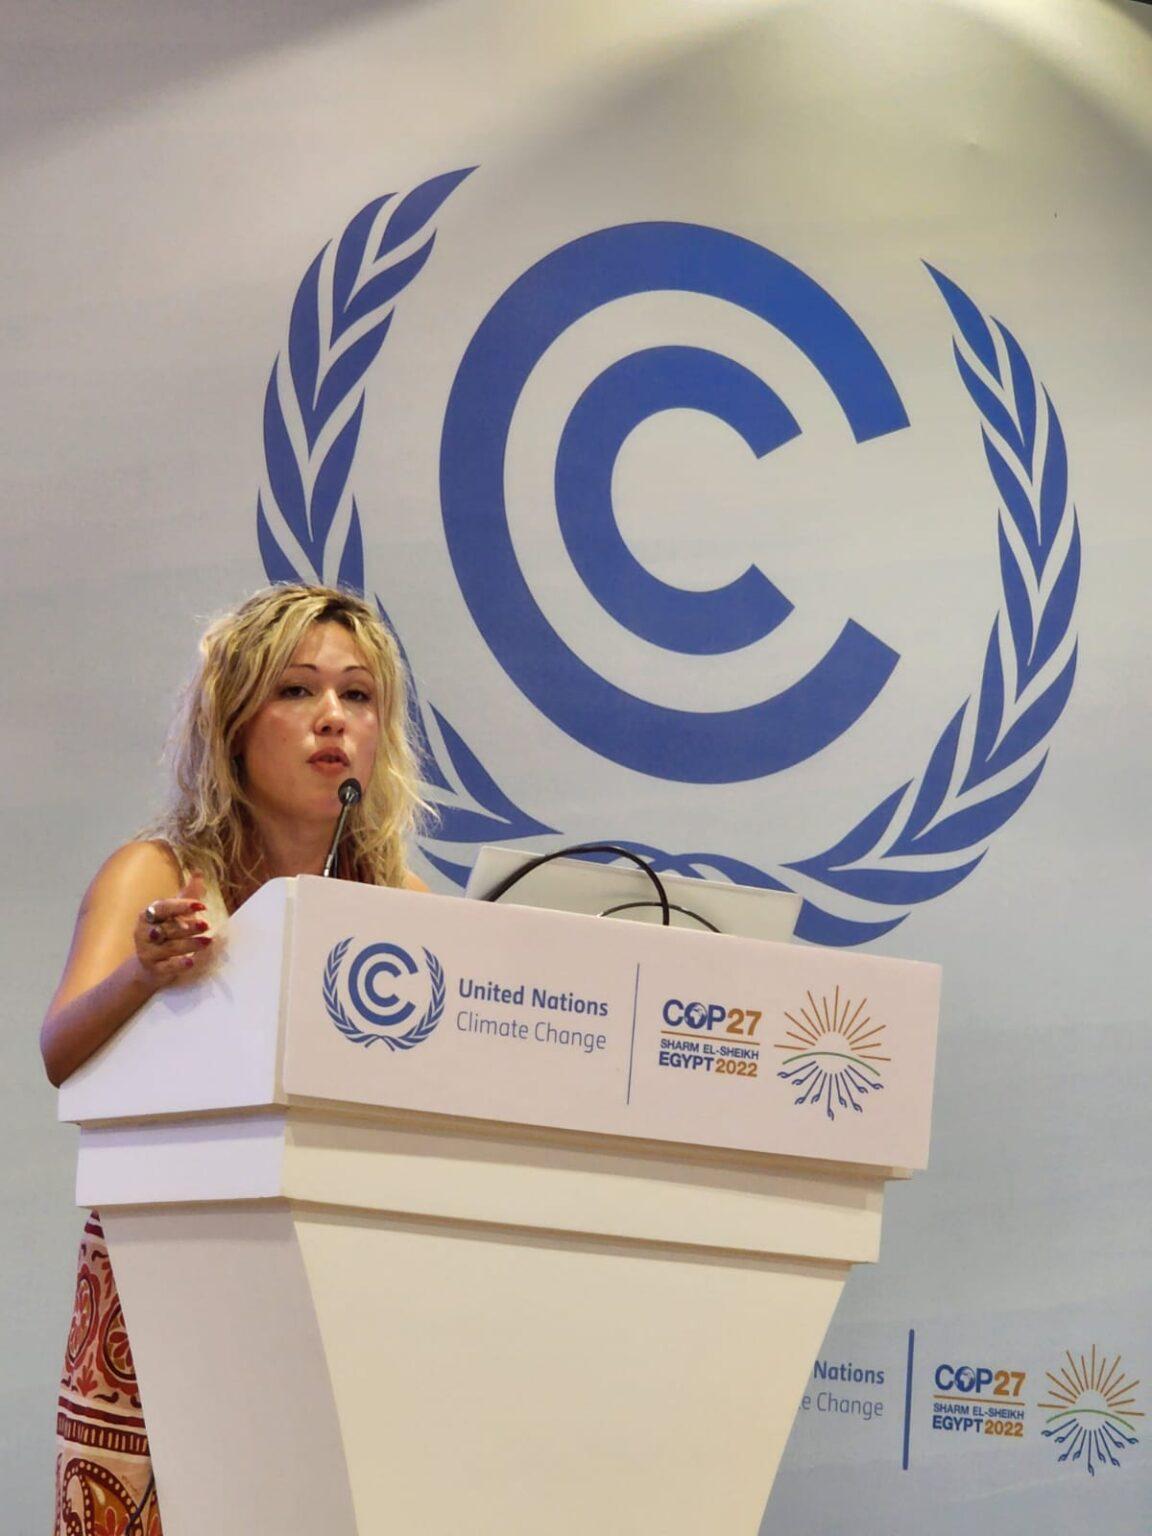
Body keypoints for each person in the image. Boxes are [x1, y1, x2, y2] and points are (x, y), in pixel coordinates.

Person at [41, 584, 429, 1535]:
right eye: (297, 690)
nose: (332, 717)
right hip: (167, 1269)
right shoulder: (156, 871)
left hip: (340, 1273)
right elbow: (60, 1050)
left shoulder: (402, 903)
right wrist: (141, 972)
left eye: (357, 695)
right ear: (233, 723)